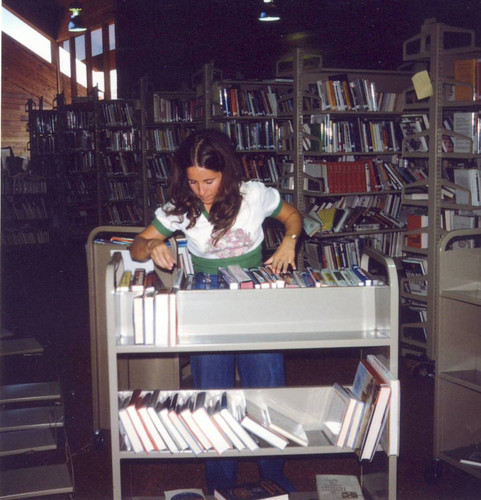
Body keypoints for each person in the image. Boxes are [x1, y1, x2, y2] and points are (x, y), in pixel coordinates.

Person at [129, 128, 302, 493]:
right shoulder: (180, 207)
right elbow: (138, 245)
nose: (201, 190)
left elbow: (292, 216)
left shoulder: (252, 195)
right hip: (208, 301)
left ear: (227, 173)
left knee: (266, 389)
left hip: (255, 299)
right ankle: (220, 483)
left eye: (208, 180)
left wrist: (289, 243)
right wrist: (152, 248)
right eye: (192, 181)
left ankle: (273, 476)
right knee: (212, 394)